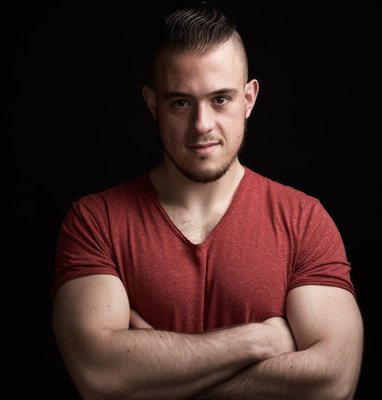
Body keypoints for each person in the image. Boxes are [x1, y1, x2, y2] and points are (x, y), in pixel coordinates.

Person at [51, 1, 364, 399]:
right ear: (153, 104)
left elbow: (333, 382)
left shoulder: (304, 221)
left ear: (248, 99)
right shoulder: (96, 222)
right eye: (181, 102)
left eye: (220, 99)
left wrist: (154, 382)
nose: (201, 125)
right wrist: (258, 340)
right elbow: (99, 376)